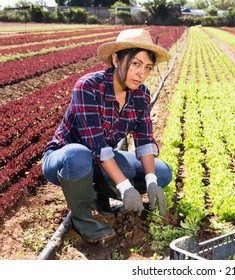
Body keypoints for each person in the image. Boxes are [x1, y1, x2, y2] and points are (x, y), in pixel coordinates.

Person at [42, 29, 173, 244]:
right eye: (135, 64)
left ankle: (97, 194)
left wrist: (150, 181)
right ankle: (84, 221)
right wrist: (125, 187)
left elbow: (145, 140)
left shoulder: (141, 94)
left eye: (148, 67)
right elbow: (96, 146)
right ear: (116, 59)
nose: (141, 73)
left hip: (102, 160)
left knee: (162, 172)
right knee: (78, 153)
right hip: (65, 160)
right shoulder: (89, 87)